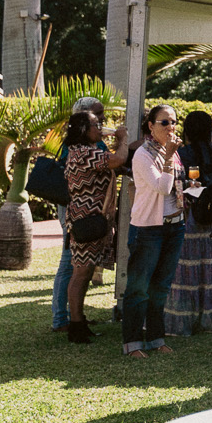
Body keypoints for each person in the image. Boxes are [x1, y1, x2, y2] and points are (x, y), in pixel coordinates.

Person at [122, 104, 187, 358]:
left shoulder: (171, 150)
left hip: (174, 225)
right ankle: (133, 343)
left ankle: (156, 338)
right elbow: (161, 187)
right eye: (164, 122)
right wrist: (170, 157)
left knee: (160, 286)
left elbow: (174, 184)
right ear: (151, 126)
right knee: (139, 288)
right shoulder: (143, 154)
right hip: (149, 228)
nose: (171, 127)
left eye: (174, 122)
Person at [60, 99, 126, 346]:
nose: (101, 127)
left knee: (85, 271)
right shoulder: (84, 152)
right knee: (81, 272)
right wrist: (122, 138)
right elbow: (117, 160)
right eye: (96, 124)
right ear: (83, 130)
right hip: (86, 219)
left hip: (89, 217)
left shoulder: (86, 150)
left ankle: (79, 321)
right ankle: (75, 324)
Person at [163, 109, 212, 339]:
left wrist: (180, 206)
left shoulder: (183, 153)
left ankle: (183, 320)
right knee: (207, 267)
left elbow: (180, 185)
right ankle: (207, 319)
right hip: (210, 216)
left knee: (184, 269)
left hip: (189, 215)